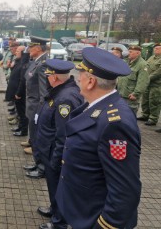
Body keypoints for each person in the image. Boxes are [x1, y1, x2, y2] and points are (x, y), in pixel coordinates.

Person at [56, 47, 142, 229]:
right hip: (80, 208)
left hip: (92, 217)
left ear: (90, 82)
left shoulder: (115, 123)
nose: (78, 78)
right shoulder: (95, 107)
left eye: (81, 74)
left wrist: (105, 225)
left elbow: (125, 189)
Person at [34, 59, 83, 229]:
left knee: (59, 189)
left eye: (48, 75)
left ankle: (59, 222)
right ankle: (55, 210)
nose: (46, 78)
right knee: (54, 187)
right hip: (49, 151)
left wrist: (56, 160)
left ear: (54, 78)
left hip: (55, 154)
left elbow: (64, 135)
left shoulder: (65, 99)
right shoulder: (59, 92)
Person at [23, 42, 48, 177]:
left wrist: (41, 111)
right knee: (33, 137)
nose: (28, 50)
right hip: (32, 105)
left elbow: (43, 92)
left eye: (31, 48)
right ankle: (37, 162)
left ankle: (41, 168)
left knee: (37, 138)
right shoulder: (37, 61)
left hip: (36, 108)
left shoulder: (43, 64)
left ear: (38, 48)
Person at [117, 45, 149, 114]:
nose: (129, 53)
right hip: (121, 94)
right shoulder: (127, 62)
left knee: (130, 117)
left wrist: (136, 94)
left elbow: (142, 82)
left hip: (130, 97)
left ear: (138, 53)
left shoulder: (142, 65)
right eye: (129, 51)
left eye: (131, 52)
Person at [5, 45, 29, 136]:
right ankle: (20, 126)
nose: (15, 52)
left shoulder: (24, 63)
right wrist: (11, 67)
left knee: (22, 112)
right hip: (15, 91)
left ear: (23, 53)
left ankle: (23, 130)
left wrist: (18, 93)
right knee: (19, 111)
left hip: (20, 93)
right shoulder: (19, 61)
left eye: (18, 51)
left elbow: (22, 80)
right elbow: (15, 73)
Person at [139, 45, 161, 126]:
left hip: (157, 84)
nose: (156, 50)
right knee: (145, 100)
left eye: (158, 48)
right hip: (148, 83)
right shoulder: (151, 57)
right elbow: (146, 67)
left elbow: (158, 72)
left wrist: (147, 78)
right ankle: (145, 115)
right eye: (155, 48)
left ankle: (153, 118)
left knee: (154, 102)